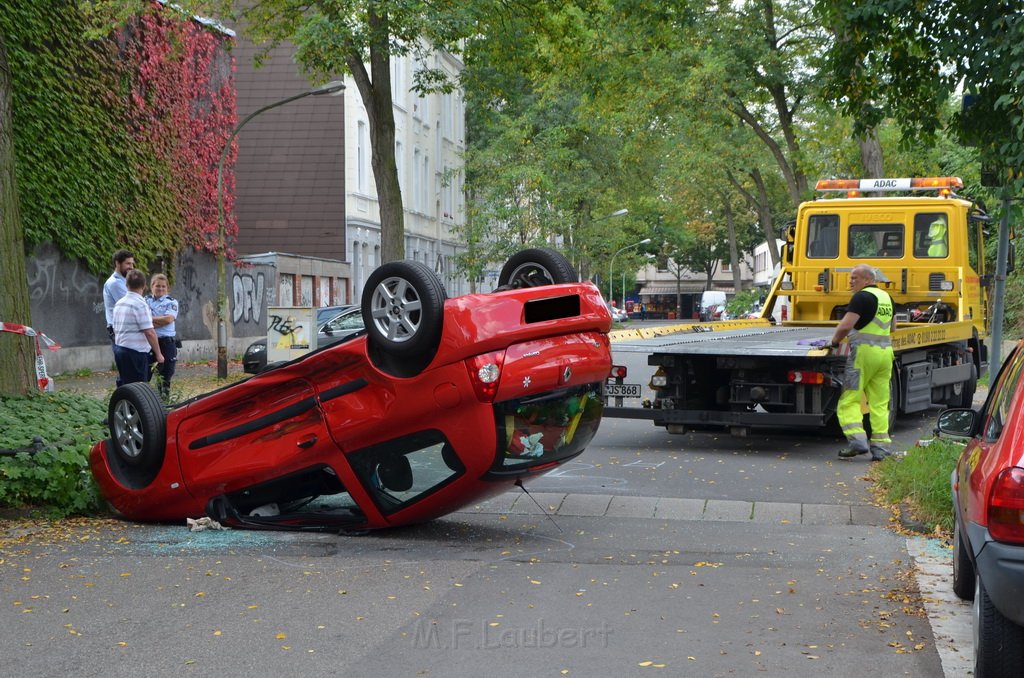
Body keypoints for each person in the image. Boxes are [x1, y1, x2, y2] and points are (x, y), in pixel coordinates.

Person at [829, 264, 895, 461]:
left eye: (855, 278)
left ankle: (857, 441)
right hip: (885, 356)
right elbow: (893, 328)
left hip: (863, 356)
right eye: (850, 278)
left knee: (849, 399)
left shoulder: (862, 297)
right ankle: (881, 448)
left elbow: (846, 325)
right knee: (880, 402)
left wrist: (834, 342)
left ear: (868, 279)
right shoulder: (887, 298)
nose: (851, 281)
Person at [112, 269, 163, 386]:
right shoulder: (140, 304)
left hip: (120, 349)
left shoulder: (119, 303)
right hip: (135, 353)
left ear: (126, 284)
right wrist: (159, 354)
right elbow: (149, 332)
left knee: (125, 386)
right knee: (138, 390)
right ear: (144, 286)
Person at [103, 250, 135, 386]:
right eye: (128, 263)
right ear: (117, 263)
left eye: (132, 264)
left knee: (129, 370)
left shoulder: (123, 282)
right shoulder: (115, 283)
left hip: (123, 330)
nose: (131, 267)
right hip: (119, 331)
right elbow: (132, 304)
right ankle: (124, 402)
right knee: (127, 371)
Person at [146, 273, 179, 399]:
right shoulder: (145, 300)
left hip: (166, 344)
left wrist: (148, 321)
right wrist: (158, 321)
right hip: (149, 343)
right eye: (158, 286)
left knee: (165, 377)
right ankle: (148, 403)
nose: (161, 289)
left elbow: (169, 319)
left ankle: (165, 403)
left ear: (167, 288)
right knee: (145, 376)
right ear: (152, 287)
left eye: (163, 287)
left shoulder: (171, 302)